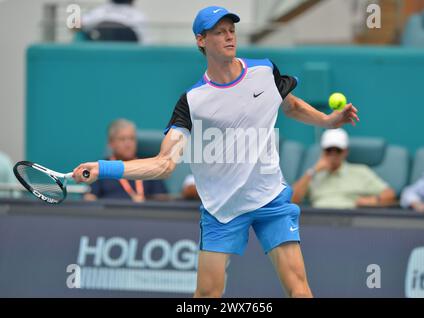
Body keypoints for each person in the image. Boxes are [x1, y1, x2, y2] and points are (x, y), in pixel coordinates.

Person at [73, 6, 359, 298]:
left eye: (231, 30)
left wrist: (326, 120)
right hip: (222, 209)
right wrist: (102, 168)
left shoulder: (264, 71)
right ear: (201, 40)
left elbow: (291, 105)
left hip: (270, 198)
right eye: (219, 32)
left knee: (299, 290)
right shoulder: (192, 101)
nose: (229, 37)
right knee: (207, 296)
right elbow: (164, 164)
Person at [291, 129, 396, 209]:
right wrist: (312, 171)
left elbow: (390, 194)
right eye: (329, 150)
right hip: (319, 220)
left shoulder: (361, 171)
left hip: (350, 220)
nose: (333, 154)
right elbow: (291, 200)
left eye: (338, 150)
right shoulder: (313, 175)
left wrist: (373, 200)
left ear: (346, 151)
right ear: (322, 151)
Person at [84, 119, 168, 202]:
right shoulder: (100, 169)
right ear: (111, 143)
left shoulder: (149, 167)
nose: (128, 144)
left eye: (132, 139)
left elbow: (162, 199)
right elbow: (90, 198)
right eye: (122, 139)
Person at [80, 0, 152, 44]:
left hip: (98, 58)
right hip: (127, 61)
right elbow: (145, 44)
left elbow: (74, 26)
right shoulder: (139, 16)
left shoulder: (99, 11)